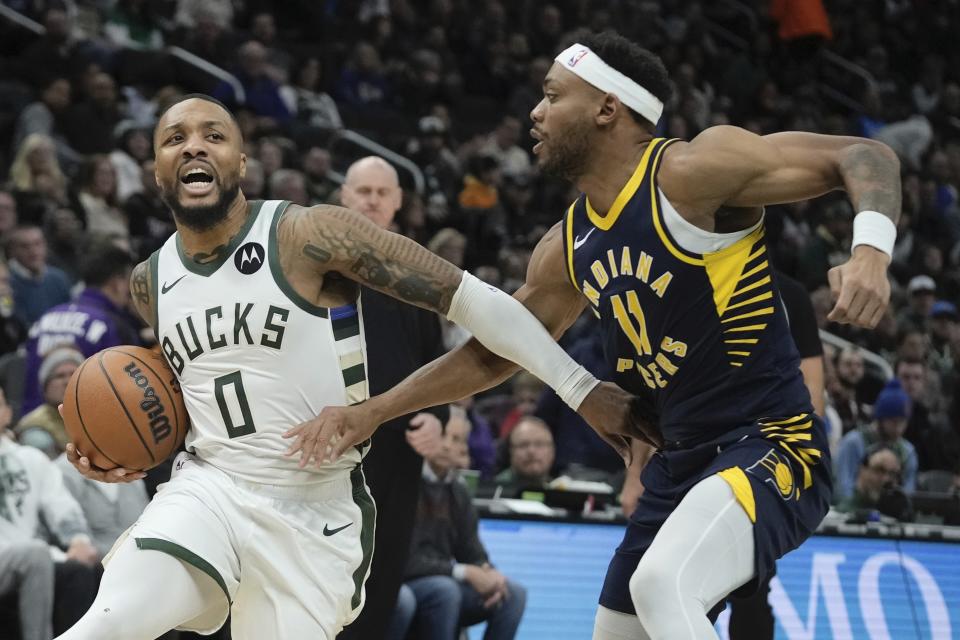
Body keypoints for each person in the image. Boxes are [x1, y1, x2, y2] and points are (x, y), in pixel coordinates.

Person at [302, 32, 900, 640]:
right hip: (680, 463)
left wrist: (871, 252)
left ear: (607, 108)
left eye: (552, 96)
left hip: (771, 443)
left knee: (662, 586)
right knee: (617, 630)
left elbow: (863, 156)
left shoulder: (693, 172)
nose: (535, 113)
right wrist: (376, 411)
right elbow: (493, 355)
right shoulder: (566, 247)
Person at [57, 94, 636, 640]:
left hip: (312, 512)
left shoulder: (309, 233)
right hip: (208, 490)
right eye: (174, 138)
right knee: (110, 621)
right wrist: (116, 450)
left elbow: (474, 301)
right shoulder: (150, 282)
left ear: (242, 160)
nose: (194, 146)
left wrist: (579, 388)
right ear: (157, 171)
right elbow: (192, 397)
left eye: (214, 135)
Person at [336, 156, 450, 640]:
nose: (373, 200)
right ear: (343, 196)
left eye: (383, 193)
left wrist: (437, 419)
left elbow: (440, 365)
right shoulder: (316, 270)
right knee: (328, 584)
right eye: (363, 191)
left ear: (399, 202)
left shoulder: (415, 276)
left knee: (381, 586)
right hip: (332, 454)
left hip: (398, 459)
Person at [387, 407, 526, 640]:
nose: (450, 446)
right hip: (404, 579)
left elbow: (472, 549)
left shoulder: (458, 490)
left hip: (440, 579)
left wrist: (488, 573)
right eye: (445, 435)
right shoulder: (405, 483)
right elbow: (405, 561)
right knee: (445, 591)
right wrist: (464, 572)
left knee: (512, 594)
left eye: (458, 440)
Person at [22, 243, 139, 414]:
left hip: (30, 422)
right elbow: (127, 391)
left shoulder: (46, 316)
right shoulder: (113, 325)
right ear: (117, 283)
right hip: (78, 425)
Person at [834, 378, 918, 500]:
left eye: (903, 422)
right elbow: (842, 488)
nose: (899, 428)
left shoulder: (907, 451)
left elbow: (908, 493)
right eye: (893, 422)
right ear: (880, 418)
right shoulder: (854, 443)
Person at [494, 416, 556, 497]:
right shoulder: (496, 490)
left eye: (539, 444)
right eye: (523, 445)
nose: (531, 451)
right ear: (511, 451)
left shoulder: (561, 491)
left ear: (552, 451)